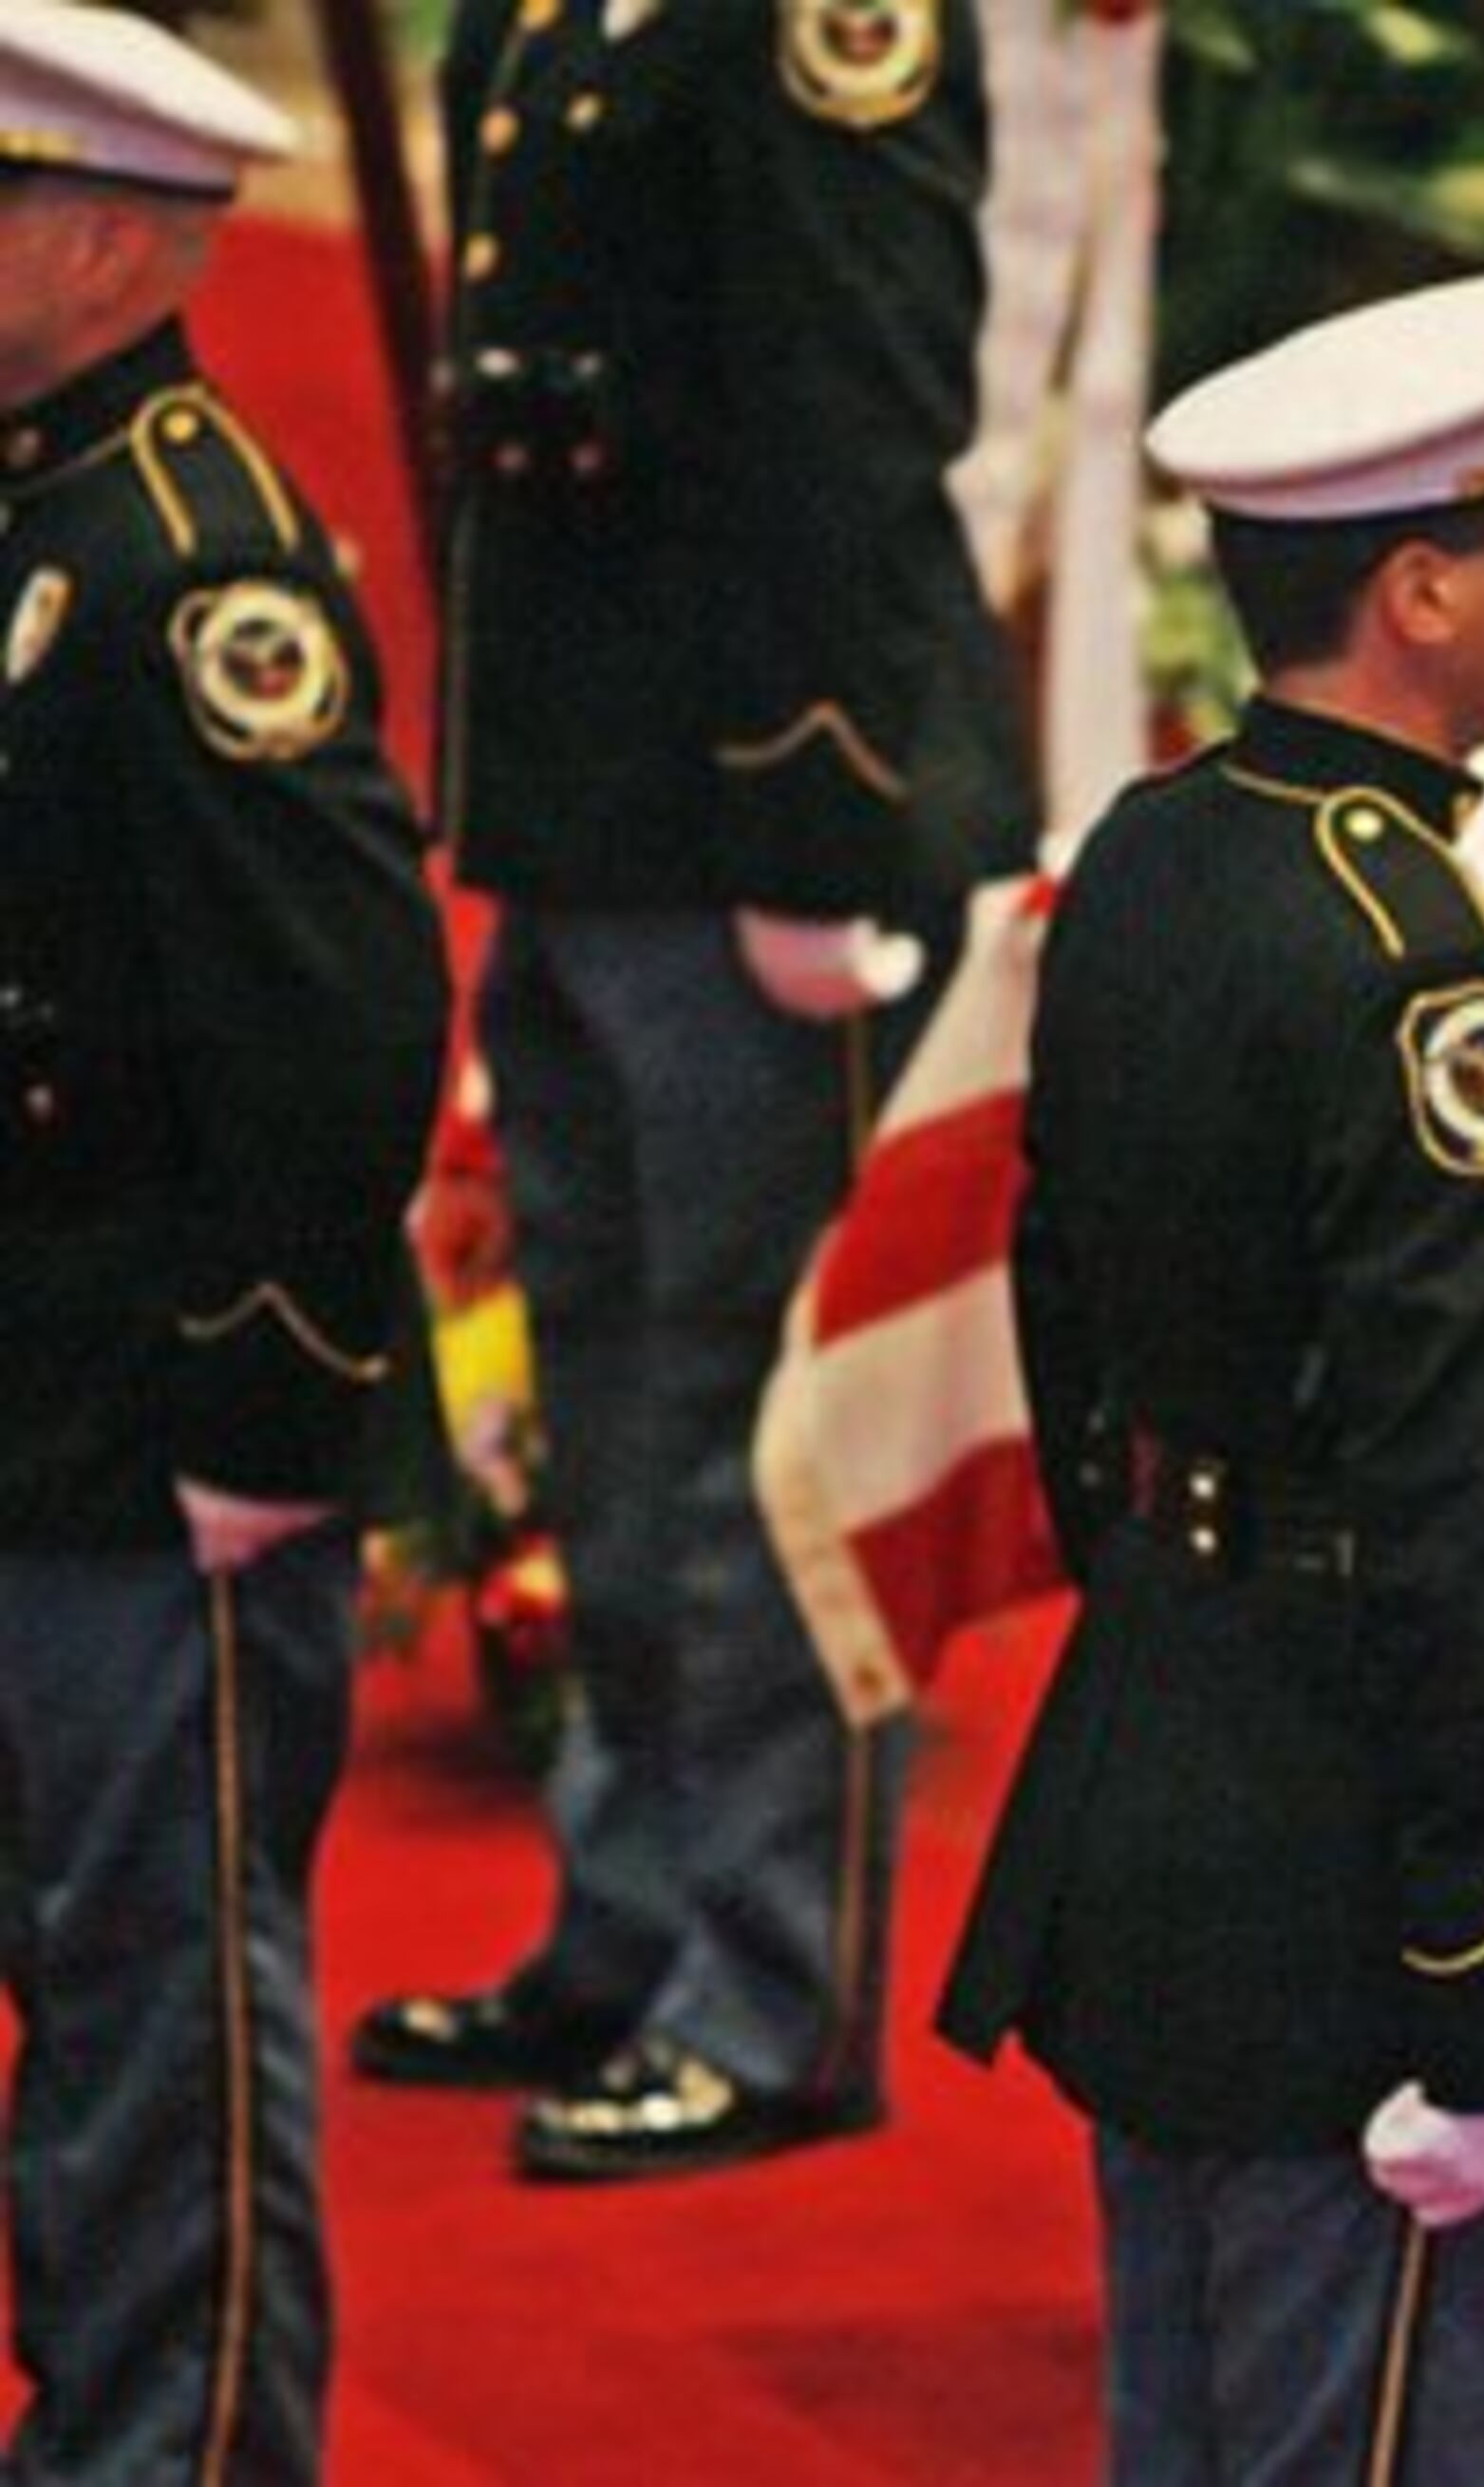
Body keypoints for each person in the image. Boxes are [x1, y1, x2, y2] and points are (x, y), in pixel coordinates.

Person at [937, 266, 1484, 2485]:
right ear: (1420, 588)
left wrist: (1190, 1584)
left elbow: (1063, 1295)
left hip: (1177, 1768)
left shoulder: (1161, 852)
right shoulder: (1424, 983)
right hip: (1363, 1872)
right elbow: (1469, 1506)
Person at [346, 0, 1035, 2176]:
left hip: (754, 815)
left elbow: (864, 389)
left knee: (752, 1425)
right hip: (583, 797)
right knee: (613, 1396)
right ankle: (625, 1911)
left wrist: (818, 823)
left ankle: (771, 1985)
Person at [0, 5, 450, 2472]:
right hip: (39, 1379)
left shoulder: (195, 572)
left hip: (161, 1429)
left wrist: (266, 1412)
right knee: (80, 1970)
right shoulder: (42, 503)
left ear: (92, 240)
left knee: (167, 2011)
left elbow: (346, 1019)